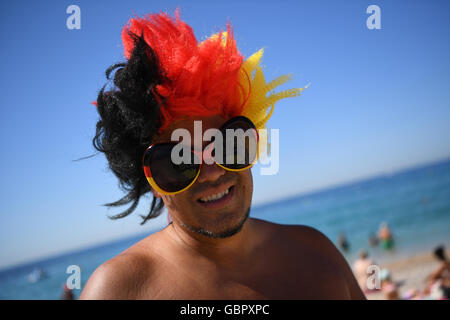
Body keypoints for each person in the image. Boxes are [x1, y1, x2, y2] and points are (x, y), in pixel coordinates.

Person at [80, 11, 365, 300]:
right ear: (152, 182)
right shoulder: (118, 291)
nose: (212, 171)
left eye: (227, 144)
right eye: (178, 160)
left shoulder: (316, 252)